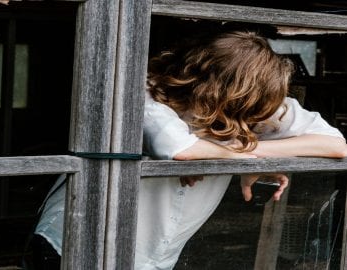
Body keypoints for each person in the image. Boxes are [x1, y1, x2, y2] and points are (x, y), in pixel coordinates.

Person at [32, 30, 347, 270]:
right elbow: (181, 150)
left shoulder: (257, 104)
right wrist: (246, 159)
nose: (252, 118)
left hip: (154, 255)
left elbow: (337, 145)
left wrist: (248, 154)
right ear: (220, 91)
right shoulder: (144, 90)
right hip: (75, 243)